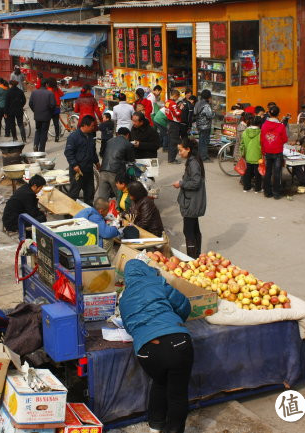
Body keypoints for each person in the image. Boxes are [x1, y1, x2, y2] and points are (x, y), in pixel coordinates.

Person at [119, 259, 192, 433]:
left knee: (159, 383)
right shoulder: (156, 282)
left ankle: (155, 427)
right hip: (177, 342)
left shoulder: (124, 299)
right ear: (147, 270)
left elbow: (130, 328)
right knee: (177, 394)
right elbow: (183, 305)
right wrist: (174, 321)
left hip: (146, 351)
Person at [172, 139, 206, 259]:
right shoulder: (193, 161)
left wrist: (181, 183)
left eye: (181, 150)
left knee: (189, 231)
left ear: (188, 149)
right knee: (194, 229)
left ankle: (191, 258)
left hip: (192, 202)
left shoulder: (193, 163)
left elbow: (195, 182)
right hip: (193, 201)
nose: (179, 153)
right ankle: (197, 256)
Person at [64, 115, 98, 206]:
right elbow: (68, 152)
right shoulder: (73, 137)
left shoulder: (91, 136)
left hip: (88, 170)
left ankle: (89, 211)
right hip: (77, 171)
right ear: (85, 125)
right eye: (92, 126)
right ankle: (69, 215)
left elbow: (93, 151)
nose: (93, 128)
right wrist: (74, 165)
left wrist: (97, 163)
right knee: (74, 193)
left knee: (90, 193)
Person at [97, 127, 134, 200]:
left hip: (103, 170)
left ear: (117, 134)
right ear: (127, 135)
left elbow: (103, 153)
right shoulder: (128, 144)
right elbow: (131, 160)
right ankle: (119, 210)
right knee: (120, 197)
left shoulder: (109, 141)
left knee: (102, 198)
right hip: (115, 173)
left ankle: (99, 210)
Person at [260, 105, 288, 200]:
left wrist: (263, 150)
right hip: (277, 151)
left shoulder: (264, 125)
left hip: (267, 151)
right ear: (278, 114)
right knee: (277, 173)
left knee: (268, 172)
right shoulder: (281, 126)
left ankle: (267, 192)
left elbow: (262, 139)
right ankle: (276, 193)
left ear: (269, 113)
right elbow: (284, 139)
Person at [29, 79, 56, 152]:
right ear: (46, 84)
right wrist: (50, 112)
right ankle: (41, 149)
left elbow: (30, 104)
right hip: (46, 116)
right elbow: (53, 105)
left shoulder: (34, 92)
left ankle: (35, 145)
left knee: (38, 130)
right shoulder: (50, 93)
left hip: (37, 115)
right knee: (44, 132)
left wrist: (35, 110)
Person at [240, 113, 262, 192]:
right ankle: (257, 189)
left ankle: (246, 187)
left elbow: (242, 144)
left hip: (248, 155)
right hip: (258, 156)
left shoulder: (245, 132)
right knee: (257, 173)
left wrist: (242, 154)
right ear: (259, 124)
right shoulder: (260, 133)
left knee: (247, 172)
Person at [194, 89, 214, 162]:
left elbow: (195, 112)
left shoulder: (198, 103)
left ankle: (200, 156)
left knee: (201, 141)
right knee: (204, 142)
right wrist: (213, 111)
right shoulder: (206, 105)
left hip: (199, 125)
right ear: (208, 97)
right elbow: (210, 116)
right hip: (205, 126)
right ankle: (204, 157)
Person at [165, 89, 184, 164]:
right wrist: (180, 109)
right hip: (174, 124)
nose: (177, 99)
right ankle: (172, 159)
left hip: (169, 122)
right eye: (177, 97)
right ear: (175, 96)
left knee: (171, 142)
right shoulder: (172, 103)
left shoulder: (167, 102)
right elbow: (176, 113)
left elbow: (170, 111)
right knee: (174, 142)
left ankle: (170, 158)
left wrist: (177, 107)